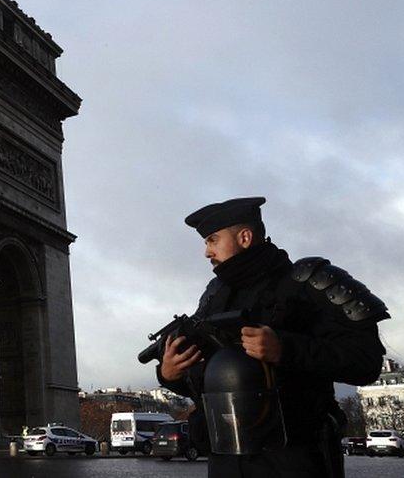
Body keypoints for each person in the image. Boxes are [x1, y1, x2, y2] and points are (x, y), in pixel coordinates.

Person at [157, 197, 389, 477]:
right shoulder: (214, 296)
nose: (207, 252)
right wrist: (170, 374)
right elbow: (214, 380)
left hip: (295, 456)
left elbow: (366, 361)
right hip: (226, 458)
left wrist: (285, 349)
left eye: (212, 240)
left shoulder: (310, 282)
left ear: (244, 237)